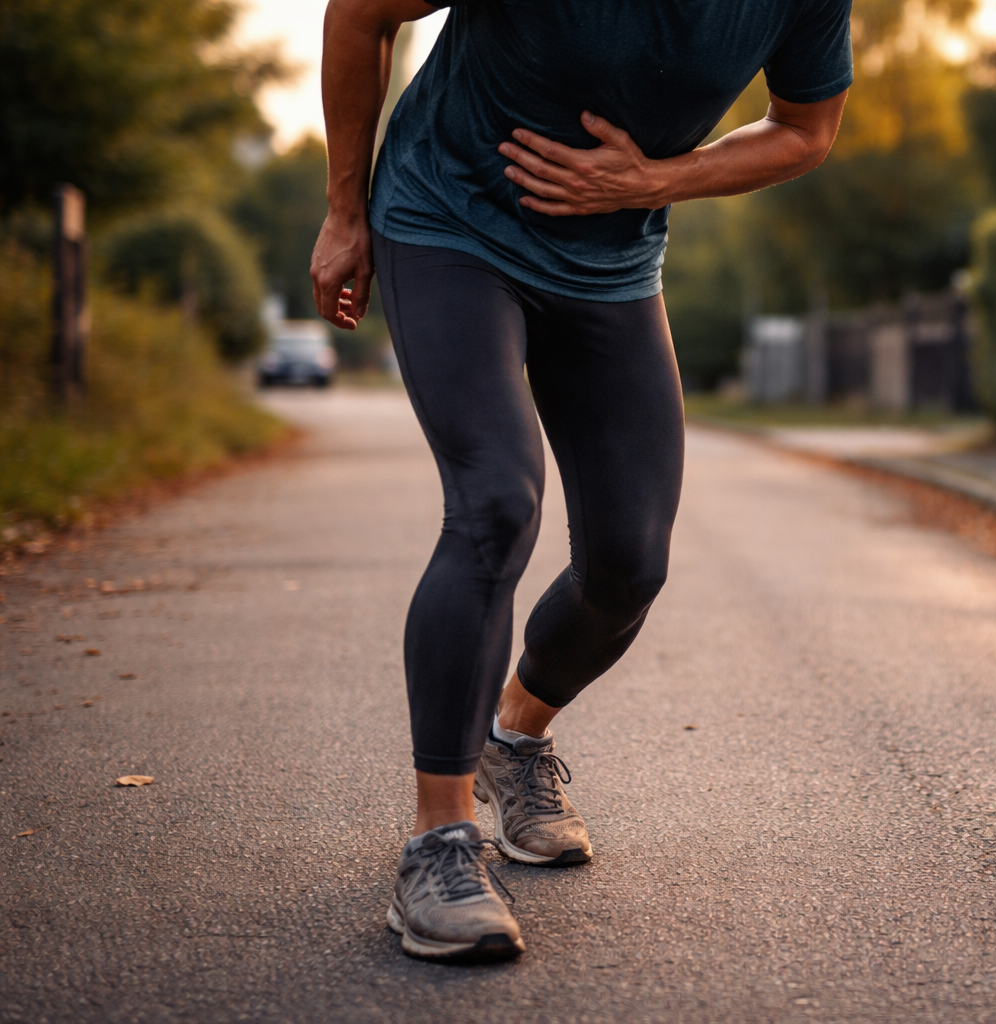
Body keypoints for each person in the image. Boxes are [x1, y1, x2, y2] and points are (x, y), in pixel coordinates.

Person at [311, 0, 851, 962]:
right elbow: (360, 14)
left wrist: (656, 181)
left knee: (629, 565)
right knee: (496, 501)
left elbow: (806, 129)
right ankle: (439, 844)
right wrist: (345, 210)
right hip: (450, 218)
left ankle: (514, 738)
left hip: (609, 261)